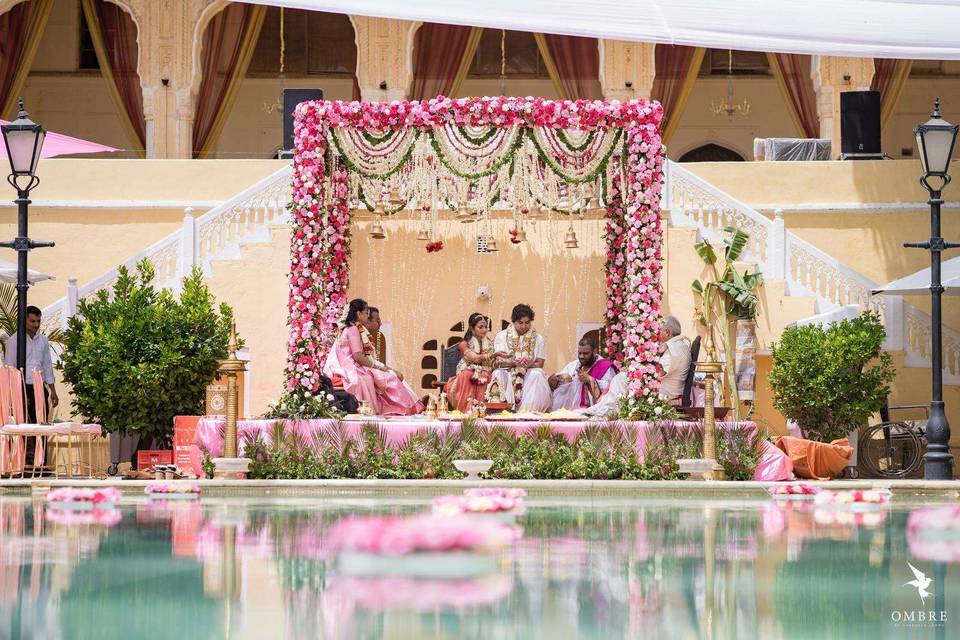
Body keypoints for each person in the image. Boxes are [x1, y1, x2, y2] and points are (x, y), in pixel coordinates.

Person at [323, 298, 423, 416]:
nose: (367, 316)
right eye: (366, 313)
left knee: (381, 376)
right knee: (384, 377)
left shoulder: (351, 328)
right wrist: (380, 367)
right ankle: (390, 409)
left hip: (352, 364)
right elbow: (357, 357)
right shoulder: (353, 329)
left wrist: (380, 367)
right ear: (358, 314)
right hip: (351, 367)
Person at [490, 304, 552, 412]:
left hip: (528, 375)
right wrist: (513, 362)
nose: (524, 326)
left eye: (527, 323)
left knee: (537, 373)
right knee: (497, 373)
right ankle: (501, 411)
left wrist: (530, 364)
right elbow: (497, 363)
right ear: (513, 322)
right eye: (520, 323)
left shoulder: (538, 338)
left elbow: (540, 363)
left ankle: (529, 413)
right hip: (508, 373)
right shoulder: (502, 336)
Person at [4, 305, 58, 422]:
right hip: (22, 389)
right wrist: (18, 393)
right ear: (24, 320)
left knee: (42, 425)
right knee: (24, 429)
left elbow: (47, 365)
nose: (36, 325)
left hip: (40, 389)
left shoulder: (43, 340)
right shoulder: (14, 341)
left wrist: (53, 391)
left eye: (38, 321)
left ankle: (42, 442)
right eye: (32, 321)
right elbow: (10, 368)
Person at [443, 313, 507, 413]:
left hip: (485, 373)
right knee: (468, 374)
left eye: (486, 327)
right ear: (472, 329)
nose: (484, 330)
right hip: (466, 374)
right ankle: (466, 411)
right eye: (480, 327)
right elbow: (475, 359)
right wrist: (493, 355)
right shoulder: (463, 344)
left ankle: (481, 411)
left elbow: (492, 364)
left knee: (486, 375)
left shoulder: (490, 344)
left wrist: (500, 361)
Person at [549, 334, 617, 410]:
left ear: (594, 351)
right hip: (572, 411)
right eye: (579, 353)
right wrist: (559, 378)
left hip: (593, 411)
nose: (581, 356)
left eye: (585, 353)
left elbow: (610, 391)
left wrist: (589, 380)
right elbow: (556, 382)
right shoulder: (574, 365)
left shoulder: (605, 367)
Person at [658, 315, 691, 402]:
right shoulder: (680, 345)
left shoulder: (674, 348)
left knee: (621, 379)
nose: (657, 334)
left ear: (667, 332)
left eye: (659, 331)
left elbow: (659, 373)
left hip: (668, 393)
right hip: (670, 389)